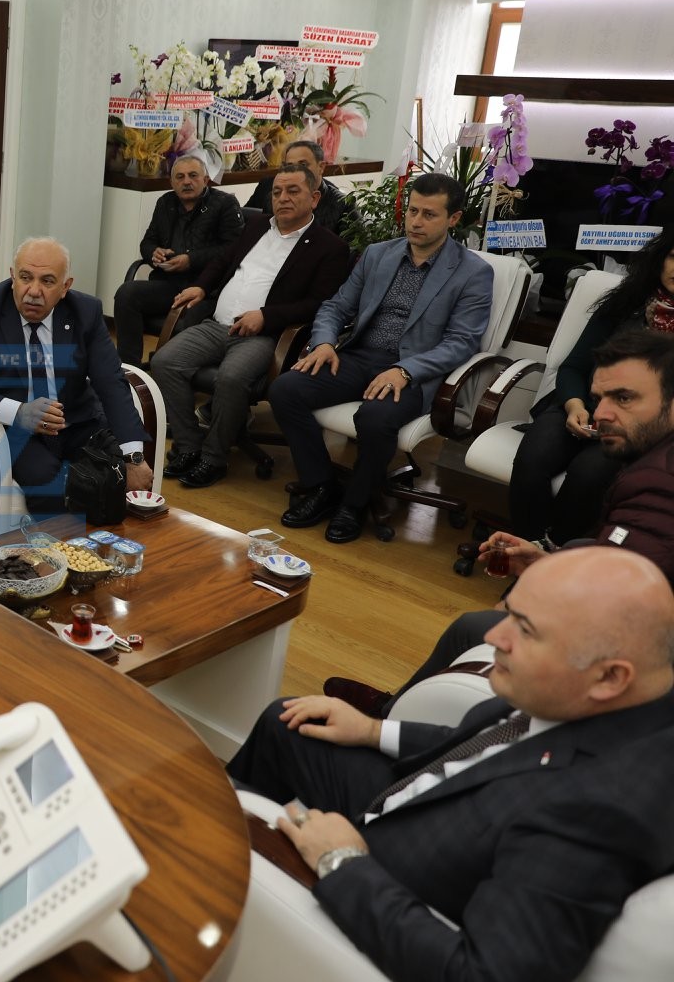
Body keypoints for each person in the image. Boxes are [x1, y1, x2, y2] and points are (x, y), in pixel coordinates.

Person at [228, 546, 674, 982]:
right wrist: (373, 730)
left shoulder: (597, 814)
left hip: (396, 870)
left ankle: (231, 870)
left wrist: (341, 861)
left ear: (610, 677)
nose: (493, 637)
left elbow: (486, 973)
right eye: (509, 613)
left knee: (230, 806)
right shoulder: (622, 697)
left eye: (525, 629)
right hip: (430, 802)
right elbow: (492, 746)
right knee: (287, 722)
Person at [328, 329, 674, 717]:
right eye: (600, 398)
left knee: (478, 629)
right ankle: (396, 711)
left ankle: (393, 726)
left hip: (638, 673)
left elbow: (619, 606)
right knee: (566, 553)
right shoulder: (652, 459)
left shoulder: (657, 484)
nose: (601, 414)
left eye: (624, 398)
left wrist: (528, 602)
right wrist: (545, 563)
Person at [268, 172, 493, 544]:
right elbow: (336, 306)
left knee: (375, 417)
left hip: (413, 370)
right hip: (359, 356)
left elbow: (462, 342)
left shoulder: (473, 273)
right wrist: (324, 343)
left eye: (429, 214)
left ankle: (354, 505)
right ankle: (321, 486)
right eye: (412, 211)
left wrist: (405, 370)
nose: (416, 222)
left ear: (453, 218)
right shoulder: (378, 254)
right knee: (286, 389)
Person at [151, 163, 352, 489]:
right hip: (217, 324)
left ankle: (213, 458)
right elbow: (222, 261)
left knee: (231, 378)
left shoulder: (329, 247)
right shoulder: (256, 224)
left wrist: (266, 316)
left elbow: (319, 303)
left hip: (263, 336)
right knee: (164, 362)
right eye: (277, 192)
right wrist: (201, 287)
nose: (283, 198)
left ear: (314, 198)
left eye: (293, 191)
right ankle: (188, 446)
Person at [0, 238, 154, 514]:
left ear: (65, 287)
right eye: (25, 278)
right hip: (17, 429)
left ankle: (108, 542)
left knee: (117, 475)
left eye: (47, 281)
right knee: (48, 485)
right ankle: (59, 542)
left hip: (76, 421)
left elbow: (111, 382)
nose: (33, 291)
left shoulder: (85, 312)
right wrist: (19, 412)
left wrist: (133, 457)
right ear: (12, 277)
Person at [507, 232, 674, 542]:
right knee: (533, 459)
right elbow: (573, 367)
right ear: (660, 259)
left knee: (589, 475)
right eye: (673, 257)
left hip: (640, 428)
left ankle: (557, 551)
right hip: (582, 404)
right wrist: (574, 405)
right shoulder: (625, 304)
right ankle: (528, 545)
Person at [111, 155, 243, 365]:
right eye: (180, 177)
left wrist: (191, 260)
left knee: (191, 317)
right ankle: (129, 368)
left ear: (205, 180)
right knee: (127, 293)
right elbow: (148, 241)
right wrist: (154, 253)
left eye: (193, 176)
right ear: (172, 182)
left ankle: (175, 368)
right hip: (168, 284)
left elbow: (234, 249)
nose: (186, 182)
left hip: (205, 289)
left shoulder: (224, 204)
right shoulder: (165, 202)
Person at [244, 139, 361, 237]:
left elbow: (353, 252)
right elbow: (251, 229)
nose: (296, 171)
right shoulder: (270, 192)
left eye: (303, 165)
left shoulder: (343, 204)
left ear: (321, 167)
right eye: (290, 166)